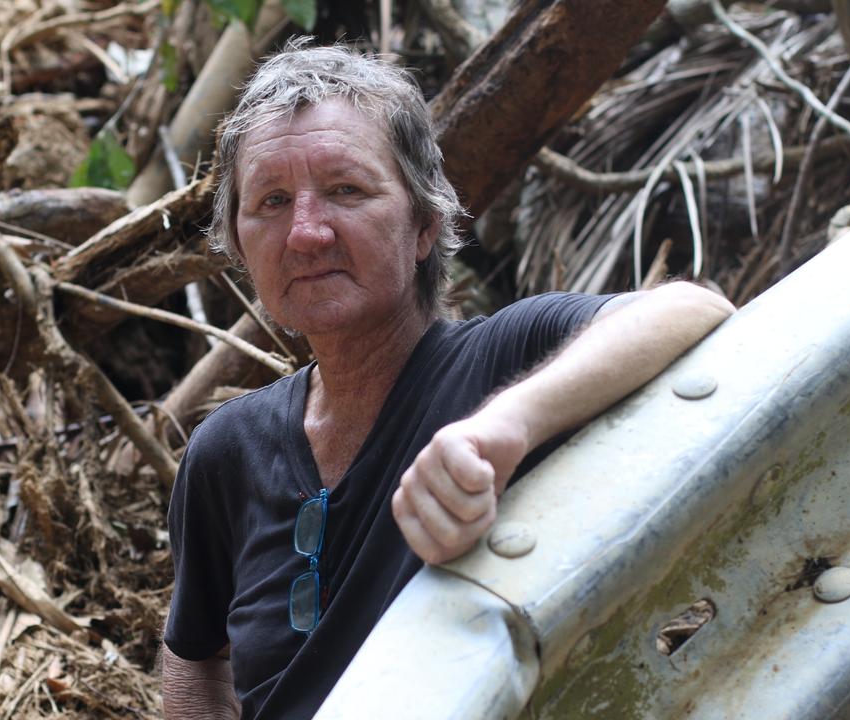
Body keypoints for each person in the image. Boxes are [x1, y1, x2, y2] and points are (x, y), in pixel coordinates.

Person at [160, 42, 735, 720]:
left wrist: (506, 426)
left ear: (426, 222)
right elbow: (195, 653)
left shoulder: (504, 361)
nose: (306, 232)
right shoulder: (227, 451)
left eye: (347, 190)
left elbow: (692, 308)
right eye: (271, 201)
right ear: (238, 239)